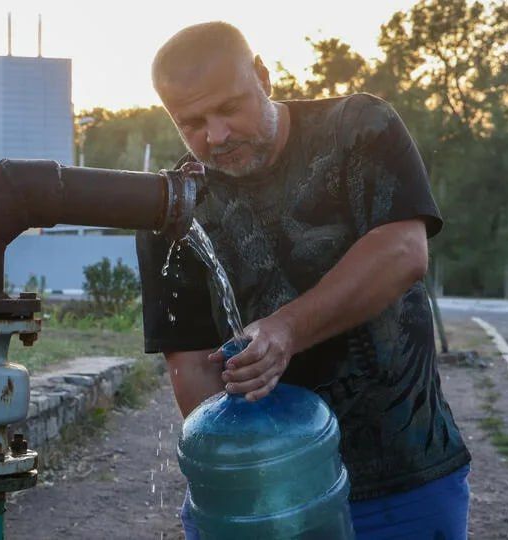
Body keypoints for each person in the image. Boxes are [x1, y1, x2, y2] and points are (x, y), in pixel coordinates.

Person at [136, 22, 471, 539]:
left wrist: (285, 329)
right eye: (192, 122)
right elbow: (192, 369)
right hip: (271, 498)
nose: (216, 135)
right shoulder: (174, 205)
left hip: (405, 474)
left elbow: (403, 251)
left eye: (229, 108)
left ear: (264, 76)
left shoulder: (357, 128)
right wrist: (241, 490)